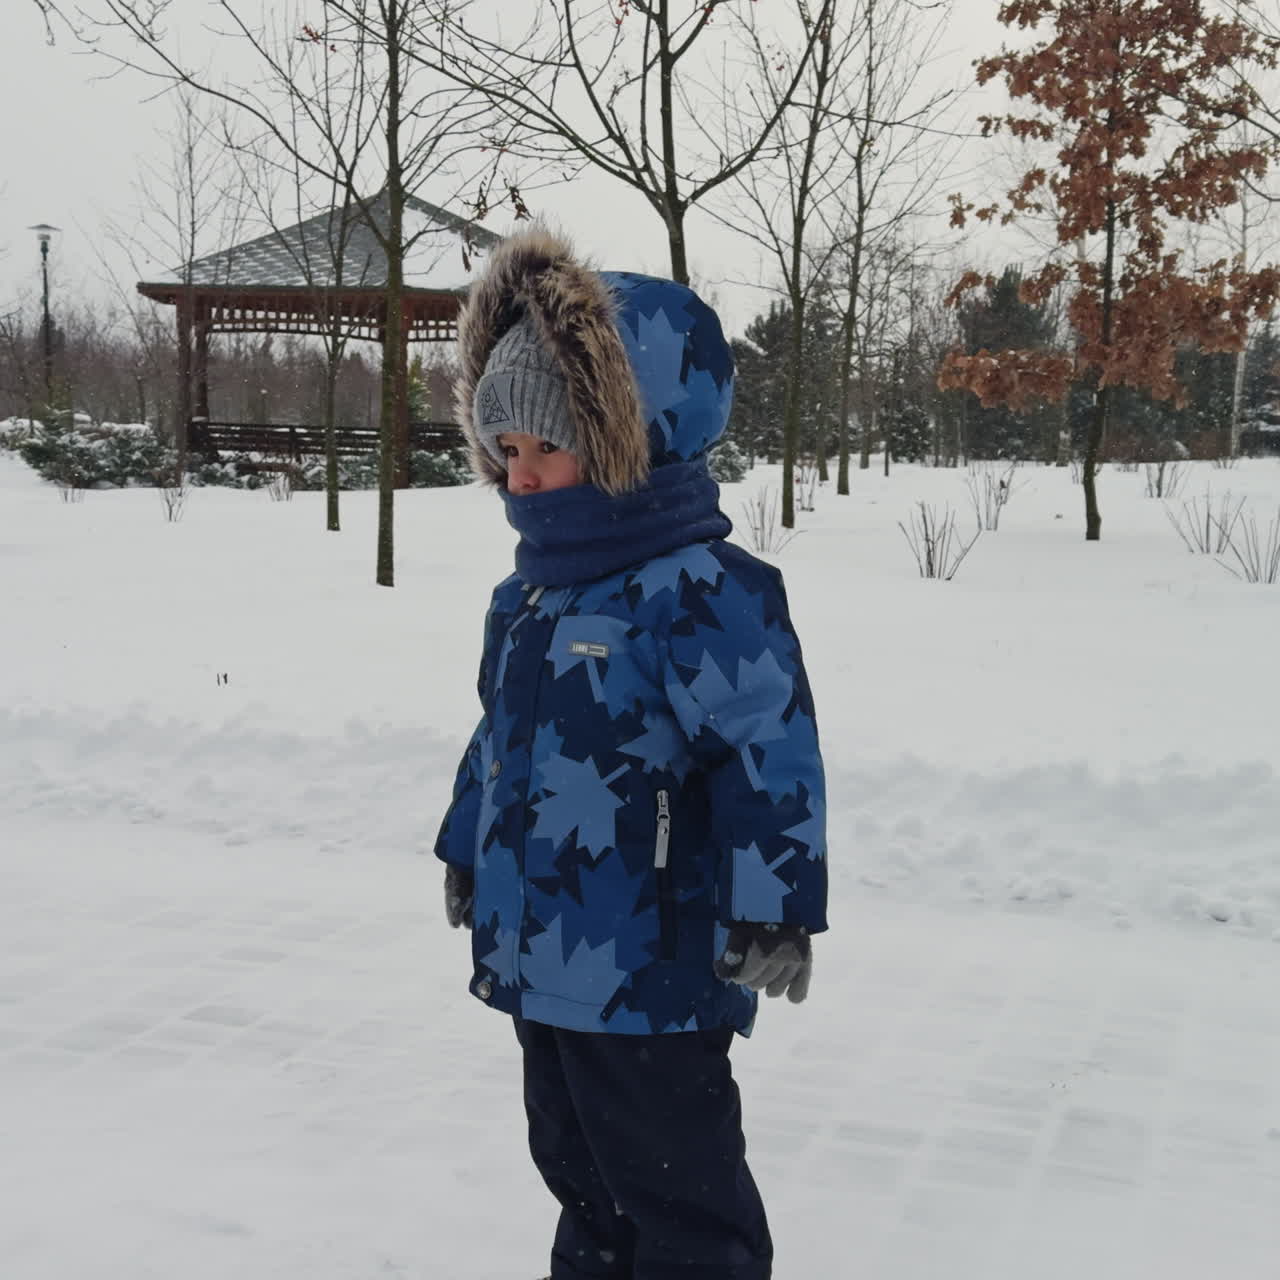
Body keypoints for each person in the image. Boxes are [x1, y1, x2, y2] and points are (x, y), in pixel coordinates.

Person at [435, 227, 827, 1280]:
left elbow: (764, 749)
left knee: (679, 1191)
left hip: (649, 961)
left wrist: (774, 902)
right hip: (540, 954)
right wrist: (466, 845)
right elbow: (497, 739)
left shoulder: (698, 591)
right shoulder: (524, 597)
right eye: (503, 451)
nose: (518, 477)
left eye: (544, 448)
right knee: (578, 1170)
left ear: (627, 438)